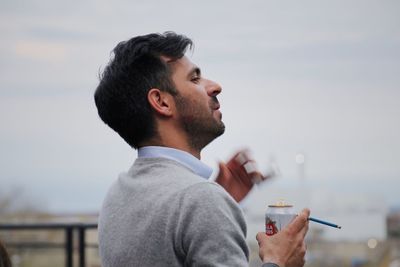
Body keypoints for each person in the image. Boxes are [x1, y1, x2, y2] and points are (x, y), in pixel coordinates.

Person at [94, 32, 309, 267]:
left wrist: (217, 202)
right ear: (162, 102)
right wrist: (279, 261)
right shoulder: (200, 200)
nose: (215, 86)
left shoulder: (117, 195)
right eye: (195, 79)